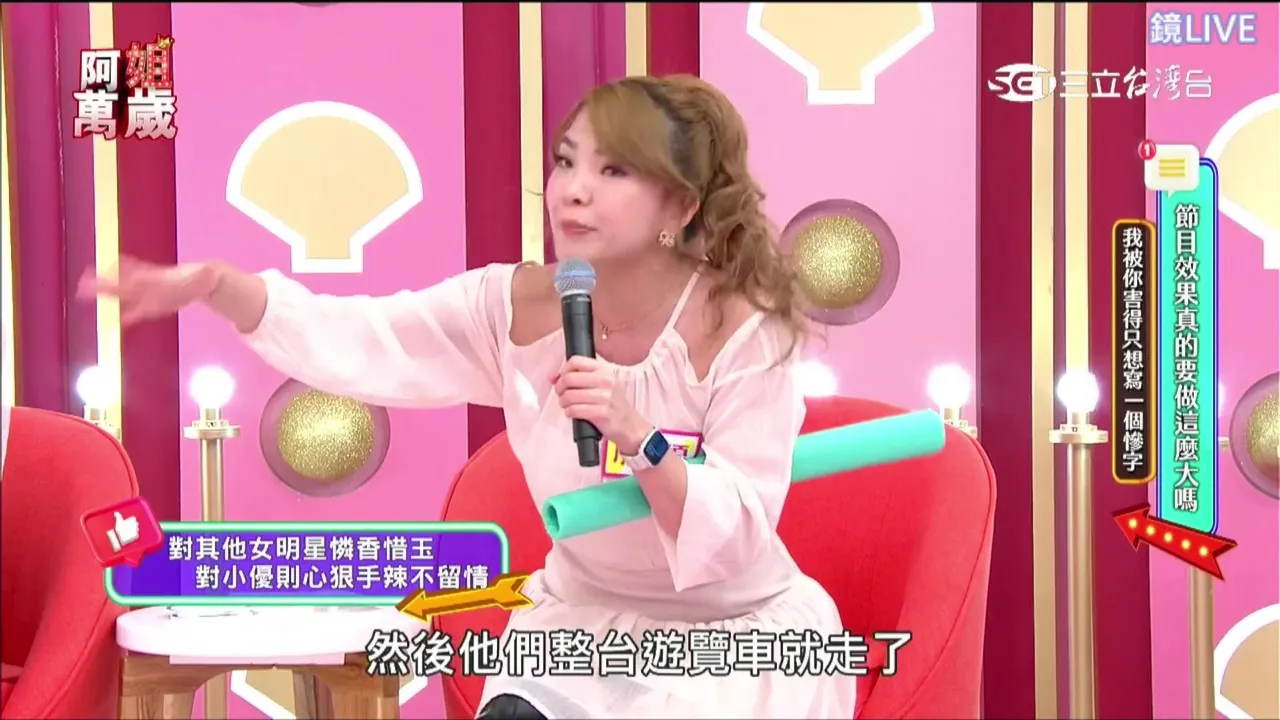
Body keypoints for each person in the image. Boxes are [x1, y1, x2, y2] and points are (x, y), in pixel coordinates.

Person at [82, 74, 856, 719]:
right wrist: (218, 286)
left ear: (680, 208)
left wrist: (638, 434)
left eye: (614, 171)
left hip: (732, 640)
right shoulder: (510, 307)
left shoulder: (745, 330)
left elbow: (738, 534)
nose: (573, 192)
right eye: (566, 162)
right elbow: (364, 337)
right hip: (578, 627)